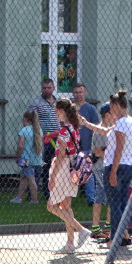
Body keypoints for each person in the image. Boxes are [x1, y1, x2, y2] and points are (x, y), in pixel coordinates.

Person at [81, 89, 132, 249]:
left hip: (116, 166)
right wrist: (86, 124)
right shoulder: (130, 122)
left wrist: (112, 171)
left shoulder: (121, 123)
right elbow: (105, 131)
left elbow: (119, 147)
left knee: (114, 205)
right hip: (126, 166)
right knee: (123, 205)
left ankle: (114, 239)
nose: (110, 111)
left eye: (111, 108)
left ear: (116, 105)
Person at [43, 98, 92, 253]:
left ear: (61, 111)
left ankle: (81, 230)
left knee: (51, 206)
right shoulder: (74, 129)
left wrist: (52, 177)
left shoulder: (65, 131)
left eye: (56, 111)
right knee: (66, 206)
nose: (56, 114)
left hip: (63, 169)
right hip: (72, 169)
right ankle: (70, 243)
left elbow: (61, 156)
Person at [27, 79, 61, 199]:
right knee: (38, 166)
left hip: (56, 138)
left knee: (52, 167)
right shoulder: (36, 103)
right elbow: (29, 118)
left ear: (53, 88)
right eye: (44, 88)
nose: (47, 90)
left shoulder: (58, 102)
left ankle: (49, 193)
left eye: (49, 87)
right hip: (42, 139)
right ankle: (32, 194)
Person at [73, 83, 101, 205]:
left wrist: (92, 148)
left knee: (88, 171)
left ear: (85, 93)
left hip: (87, 146)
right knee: (72, 171)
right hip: (73, 146)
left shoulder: (91, 110)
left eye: (81, 92)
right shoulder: (71, 109)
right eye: (76, 92)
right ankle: (70, 196)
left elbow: (96, 129)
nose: (78, 94)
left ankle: (91, 197)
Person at [89, 103, 111, 240]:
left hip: (106, 166)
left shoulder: (110, 129)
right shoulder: (100, 130)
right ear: (107, 114)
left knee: (101, 197)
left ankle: (98, 227)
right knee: (110, 196)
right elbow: (98, 151)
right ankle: (106, 227)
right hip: (101, 167)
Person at [11, 109, 41, 204]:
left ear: (25, 119)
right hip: (36, 158)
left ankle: (34, 199)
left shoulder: (23, 130)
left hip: (26, 159)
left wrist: (17, 156)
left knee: (30, 179)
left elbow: (20, 146)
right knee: (23, 177)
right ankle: (19, 197)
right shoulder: (39, 130)